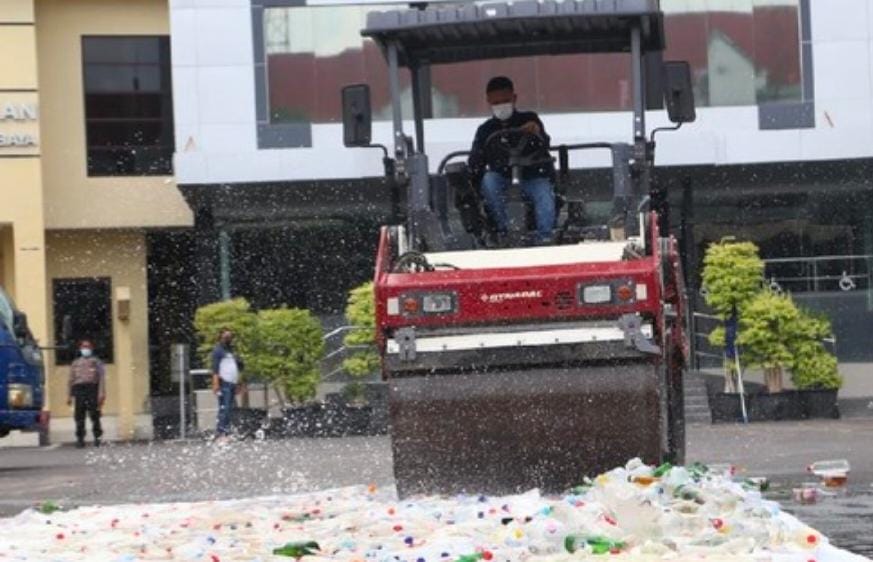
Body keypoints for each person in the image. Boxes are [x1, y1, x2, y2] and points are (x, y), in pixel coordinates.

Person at [468, 76, 556, 244]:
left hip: (532, 177)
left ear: (514, 99)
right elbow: (475, 162)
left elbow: (545, 144)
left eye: (505, 101)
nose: (501, 106)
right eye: (496, 103)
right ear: (489, 102)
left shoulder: (529, 119)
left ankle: (545, 237)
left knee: (544, 192)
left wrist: (536, 132)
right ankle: (504, 232)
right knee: (489, 181)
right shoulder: (485, 130)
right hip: (502, 179)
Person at [67, 340, 105, 448]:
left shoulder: (97, 362)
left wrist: (101, 393)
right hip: (79, 390)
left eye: (87, 347)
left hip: (92, 389)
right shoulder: (75, 363)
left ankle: (97, 438)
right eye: (84, 347)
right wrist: (69, 395)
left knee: (94, 415)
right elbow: (71, 380)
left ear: (91, 348)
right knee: (79, 416)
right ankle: (80, 439)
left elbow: (101, 379)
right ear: (80, 349)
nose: (85, 349)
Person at [211, 328, 244, 440]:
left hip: (232, 382)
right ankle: (221, 433)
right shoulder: (218, 350)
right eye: (226, 336)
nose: (229, 338)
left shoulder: (232, 351)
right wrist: (215, 383)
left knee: (229, 408)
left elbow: (237, 368)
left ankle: (226, 431)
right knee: (224, 408)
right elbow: (215, 368)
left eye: (230, 336)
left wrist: (239, 383)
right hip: (224, 383)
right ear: (220, 337)